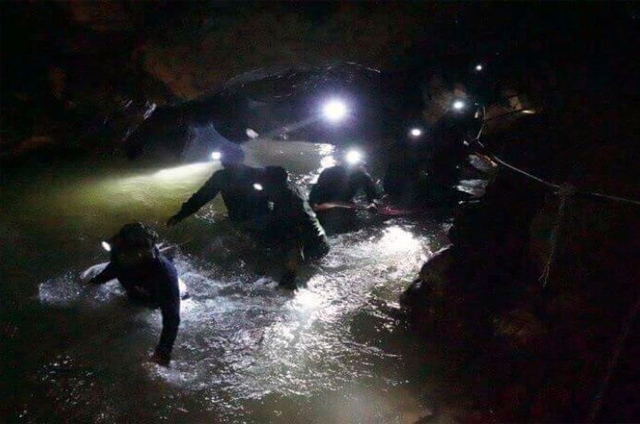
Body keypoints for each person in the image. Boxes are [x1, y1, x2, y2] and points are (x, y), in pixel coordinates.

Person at [88, 223, 180, 366]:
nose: (119, 254)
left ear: (140, 253)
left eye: (124, 251)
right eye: (119, 249)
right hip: (135, 290)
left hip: (153, 300)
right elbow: (112, 269)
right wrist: (93, 283)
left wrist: (162, 352)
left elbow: (172, 318)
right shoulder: (120, 256)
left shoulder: (164, 274)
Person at [263, 166, 330, 289]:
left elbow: (296, 243)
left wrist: (289, 277)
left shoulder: (288, 205)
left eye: (264, 183)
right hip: (319, 239)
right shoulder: (290, 188)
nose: (263, 187)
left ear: (273, 184)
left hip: (313, 247)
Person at [167, 147, 268, 227]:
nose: (223, 161)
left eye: (226, 158)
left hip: (256, 219)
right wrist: (181, 215)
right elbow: (201, 197)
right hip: (247, 218)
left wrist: (180, 215)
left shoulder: (223, 177)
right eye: (223, 158)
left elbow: (201, 197)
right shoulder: (223, 176)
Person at [309, 161, 379, 235]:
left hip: (344, 202)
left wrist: (372, 203)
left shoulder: (361, 176)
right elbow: (315, 206)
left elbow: (372, 196)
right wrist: (360, 207)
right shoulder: (327, 175)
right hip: (325, 207)